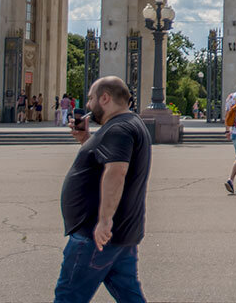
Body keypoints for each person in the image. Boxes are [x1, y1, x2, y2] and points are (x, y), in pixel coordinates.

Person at [54, 75, 151, 303]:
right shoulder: (128, 124)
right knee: (129, 296)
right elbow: (106, 162)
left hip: (95, 237)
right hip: (120, 237)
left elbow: (116, 172)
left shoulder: (119, 129)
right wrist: (86, 139)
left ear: (105, 98)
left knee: (69, 297)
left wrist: (105, 220)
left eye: (91, 99)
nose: (88, 106)